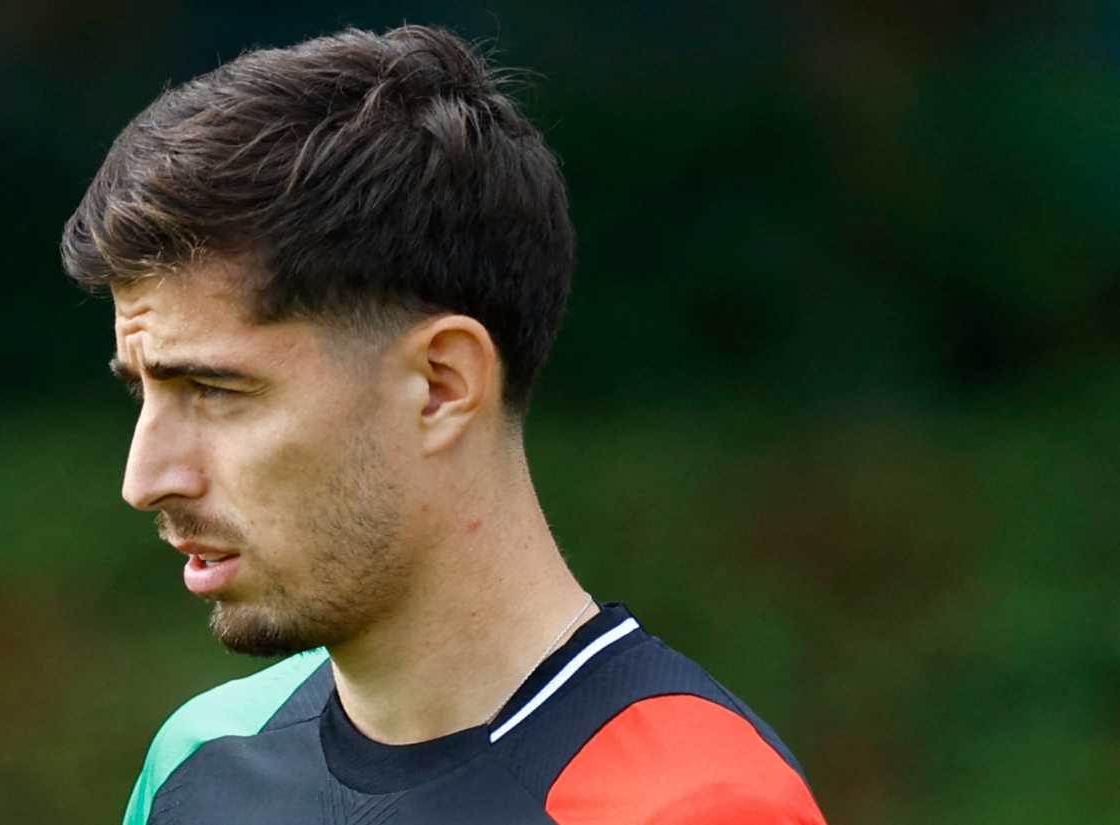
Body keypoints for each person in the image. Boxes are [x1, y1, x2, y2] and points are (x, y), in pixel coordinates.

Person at [60, 24, 827, 825]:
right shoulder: (197, 759)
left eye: (216, 390)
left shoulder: (695, 806)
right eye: (141, 391)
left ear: (440, 385)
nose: (145, 479)